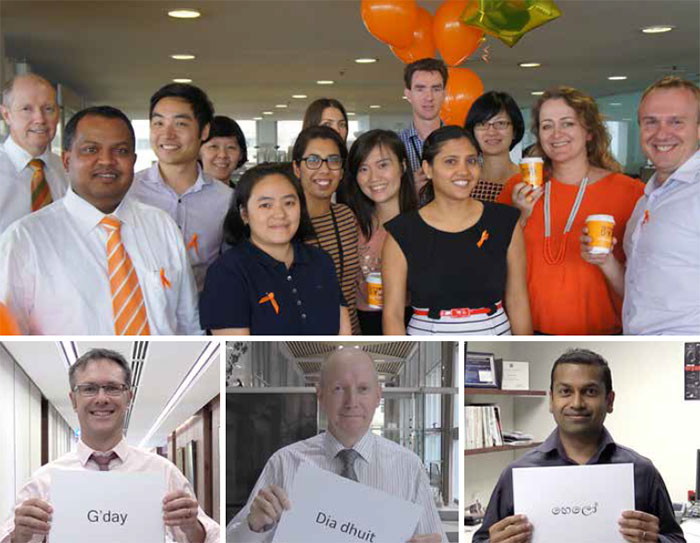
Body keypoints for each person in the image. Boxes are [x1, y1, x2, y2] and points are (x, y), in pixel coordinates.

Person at [0, 106, 200, 335]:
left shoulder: (162, 226)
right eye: (90, 149)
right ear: (66, 160)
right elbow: (8, 338)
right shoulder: (24, 240)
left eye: (121, 151)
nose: (106, 161)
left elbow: (188, 324)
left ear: (133, 161)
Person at [226, 348, 447, 543]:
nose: (352, 402)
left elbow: (435, 537)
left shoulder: (408, 467)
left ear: (378, 396)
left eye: (363, 389)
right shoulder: (284, 463)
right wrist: (253, 527)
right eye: (339, 388)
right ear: (320, 395)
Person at [0, 349, 219, 543]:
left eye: (113, 388)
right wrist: (19, 536)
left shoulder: (163, 473)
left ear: (128, 398)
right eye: (89, 389)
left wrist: (192, 528)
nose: (102, 398)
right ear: (73, 400)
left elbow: (209, 538)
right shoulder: (43, 481)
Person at [473, 348, 684, 543]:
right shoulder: (517, 473)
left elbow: (676, 538)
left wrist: (656, 541)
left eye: (590, 392)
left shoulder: (642, 471)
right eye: (565, 391)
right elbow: (482, 539)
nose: (577, 403)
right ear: (551, 400)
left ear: (609, 401)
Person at [497, 86, 644, 335]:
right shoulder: (517, 188)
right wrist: (520, 216)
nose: (556, 134)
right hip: (527, 331)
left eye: (567, 124)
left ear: (588, 131)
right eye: (547, 126)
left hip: (605, 333)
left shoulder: (631, 192)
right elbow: (493, 262)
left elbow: (643, 285)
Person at [383, 125, 532, 335]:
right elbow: (393, 314)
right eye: (450, 161)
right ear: (427, 169)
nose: (463, 171)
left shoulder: (504, 221)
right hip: (428, 335)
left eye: (471, 161)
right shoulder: (402, 232)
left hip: (494, 330)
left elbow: (517, 299)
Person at [582, 76, 700, 335]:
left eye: (676, 122)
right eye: (651, 122)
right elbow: (638, 292)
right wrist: (605, 261)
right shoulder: (647, 198)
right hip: (644, 348)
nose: (661, 133)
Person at [199, 163, 351, 335]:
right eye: (266, 205)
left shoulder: (321, 261)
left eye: (289, 203)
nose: (279, 214)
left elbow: (343, 335)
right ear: (244, 214)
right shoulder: (226, 273)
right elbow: (239, 354)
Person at [131, 83, 233, 291]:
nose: (167, 134)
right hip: (141, 316)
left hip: (204, 314)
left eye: (180, 124)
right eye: (158, 123)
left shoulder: (227, 200)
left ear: (204, 131)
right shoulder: (128, 193)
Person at [343, 129, 417, 335]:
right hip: (363, 326)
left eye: (383, 165)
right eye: (363, 169)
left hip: (414, 324)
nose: (374, 177)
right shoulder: (350, 225)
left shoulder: (424, 224)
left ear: (402, 166)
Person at [292, 125, 362, 334]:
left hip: (353, 336)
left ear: (341, 171)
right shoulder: (286, 224)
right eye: (313, 160)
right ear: (297, 168)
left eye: (333, 160)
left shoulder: (346, 216)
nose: (324, 170)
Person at [0, 73, 68, 234]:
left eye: (48, 109)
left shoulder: (67, 171)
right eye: (26, 109)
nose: (40, 119)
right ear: (6, 115)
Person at [398, 58, 447, 196]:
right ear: (408, 94)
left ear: (444, 93)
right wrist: (407, 191)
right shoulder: (395, 145)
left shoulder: (461, 143)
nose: (429, 97)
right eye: (420, 89)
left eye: (436, 89)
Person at [464, 91, 525, 202]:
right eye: (482, 124)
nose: (491, 132)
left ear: (514, 131)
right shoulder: (464, 181)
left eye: (501, 123)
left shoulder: (526, 182)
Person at [199, 115, 248, 186]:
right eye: (213, 146)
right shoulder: (182, 195)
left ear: (241, 154)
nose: (223, 155)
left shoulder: (244, 196)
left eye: (230, 147)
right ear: (197, 152)